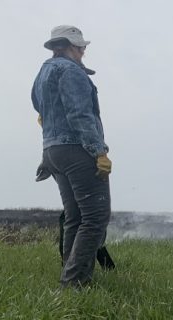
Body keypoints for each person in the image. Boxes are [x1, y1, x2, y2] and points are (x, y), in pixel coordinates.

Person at [32, 25, 112, 288]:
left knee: (75, 217)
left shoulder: (44, 71)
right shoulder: (71, 71)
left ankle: (73, 278)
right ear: (68, 46)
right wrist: (98, 151)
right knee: (95, 217)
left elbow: (37, 105)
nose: (84, 50)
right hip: (77, 149)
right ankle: (74, 283)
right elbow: (80, 115)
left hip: (52, 151)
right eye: (81, 46)